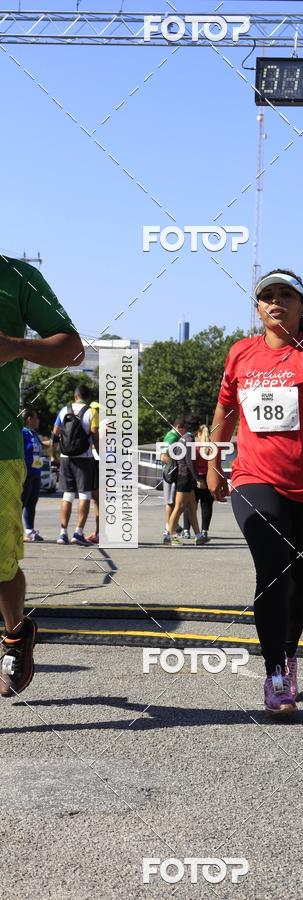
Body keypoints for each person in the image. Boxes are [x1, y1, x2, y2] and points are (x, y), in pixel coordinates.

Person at [208, 269, 303, 714]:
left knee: (299, 581)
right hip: (254, 478)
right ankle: (274, 673)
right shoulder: (240, 353)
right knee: (272, 570)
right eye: (266, 296)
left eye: (285, 295)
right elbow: (225, 408)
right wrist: (214, 462)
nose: (275, 302)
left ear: (302, 306)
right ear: (258, 308)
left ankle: (289, 654)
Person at [0, 254, 83, 697]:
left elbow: (72, 350)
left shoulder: (17, 276)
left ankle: (16, 632)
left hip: (0, 452)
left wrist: (16, 347)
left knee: (0, 566)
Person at [53, 383, 99, 545]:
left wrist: (54, 454)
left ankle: (62, 533)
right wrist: (99, 453)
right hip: (84, 458)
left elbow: (55, 433)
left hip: (66, 457)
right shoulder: (92, 411)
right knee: (85, 494)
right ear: (88, 397)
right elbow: (94, 435)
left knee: (67, 495)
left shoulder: (64, 410)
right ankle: (78, 533)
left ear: (75, 396)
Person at [166, 416, 203, 546]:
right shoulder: (189, 439)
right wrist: (198, 478)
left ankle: (199, 536)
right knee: (179, 507)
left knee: (192, 508)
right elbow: (189, 461)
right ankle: (169, 536)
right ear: (197, 427)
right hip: (185, 476)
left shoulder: (182, 438)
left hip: (183, 476)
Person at [21, 408, 50, 542]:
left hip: (36, 472)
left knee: (32, 503)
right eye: (36, 418)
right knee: (21, 502)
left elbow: (42, 446)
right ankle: (14, 531)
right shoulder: (22, 433)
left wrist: (56, 439)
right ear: (28, 419)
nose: (38, 420)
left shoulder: (33, 433)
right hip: (26, 473)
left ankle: (29, 531)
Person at [160, 415, 186, 544]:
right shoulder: (172, 437)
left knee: (175, 502)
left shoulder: (175, 436)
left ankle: (174, 526)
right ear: (178, 427)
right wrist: (176, 465)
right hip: (171, 474)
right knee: (171, 502)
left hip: (173, 473)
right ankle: (168, 529)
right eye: (184, 430)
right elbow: (163, 456)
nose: (185, 433)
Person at [192, 423, 215, 545]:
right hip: (209, 477)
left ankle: (188, 530)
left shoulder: (196, 447)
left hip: (197, 477)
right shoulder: (212, 447)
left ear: (199, 434)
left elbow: (192, 464)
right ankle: (204, 530)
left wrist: (196, 478)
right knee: (207, 506)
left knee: (192, 506)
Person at [85, 400, 101, 544]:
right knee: (98, 499)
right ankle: (99, 532)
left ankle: (100, 533)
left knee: (98, 499)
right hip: (101, 461)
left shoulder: (102, 425)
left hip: (98, 461)